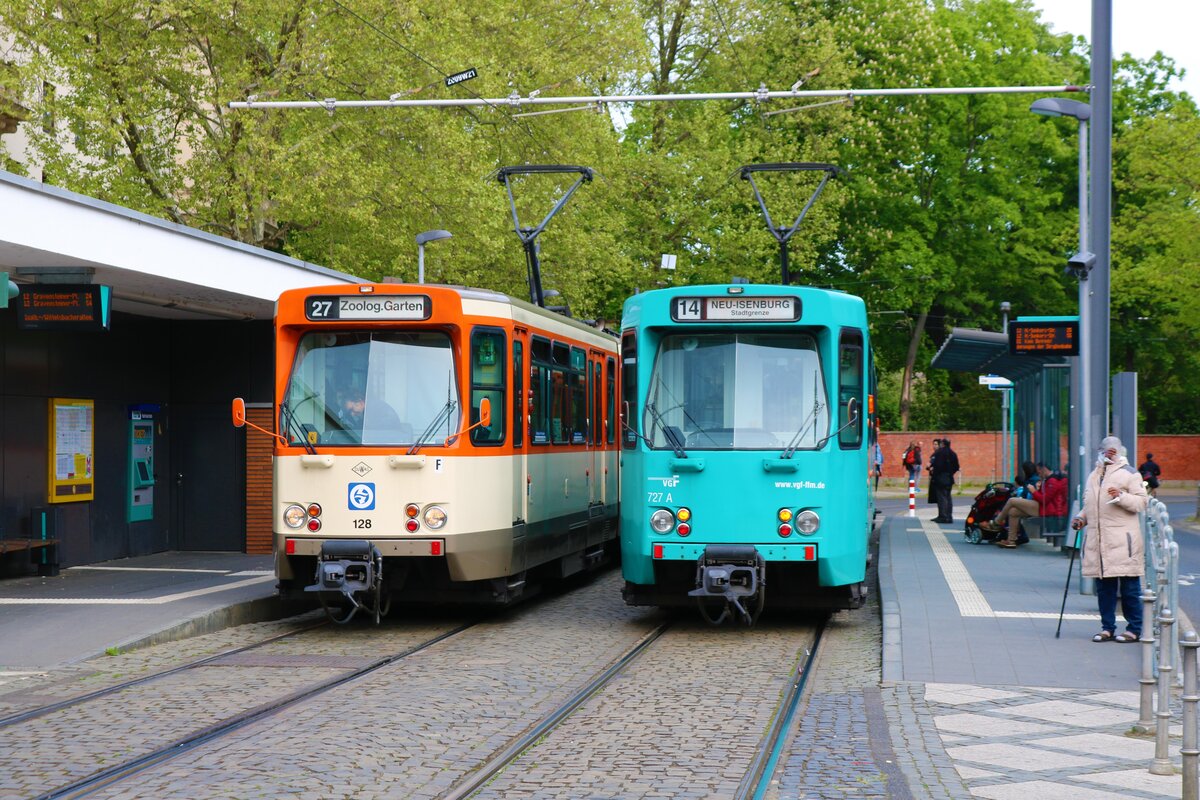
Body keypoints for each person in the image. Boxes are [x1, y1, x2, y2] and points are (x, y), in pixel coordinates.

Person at [1072, 435, 1148, 643]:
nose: (1108, 454)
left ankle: (1134, 628)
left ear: (1119, 451)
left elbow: (1141, 503)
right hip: (1099, 540)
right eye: (1105, 451)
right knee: (1104, 588)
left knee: (1129, 587)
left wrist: (1121, 497)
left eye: (1112, 451)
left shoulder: (1130, 474)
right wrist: (1081, 518)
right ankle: (1107, 628)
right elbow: (1092, 504)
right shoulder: (1094, 475)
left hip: (1123, 541)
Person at [981, 460, 1039, 547]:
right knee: (1013, 511)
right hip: (1031, 504)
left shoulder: (1034, 480)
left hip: (1035, 505)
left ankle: (997, 522)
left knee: (1011, 500)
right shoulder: (1030, 479)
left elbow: (1033, 495)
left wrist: (1031, 491)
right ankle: (1011, 540)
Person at [928, 438, 960, 523]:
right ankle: (949, 516)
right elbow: (956, 466)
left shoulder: (939, 453)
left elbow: (936, 465)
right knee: (948, 497)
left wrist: (934, 473)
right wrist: (950, 472)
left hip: (940, 478)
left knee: (941, 497)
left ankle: (943, 516)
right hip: (949, 478)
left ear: (942, 444)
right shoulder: (953, 453)